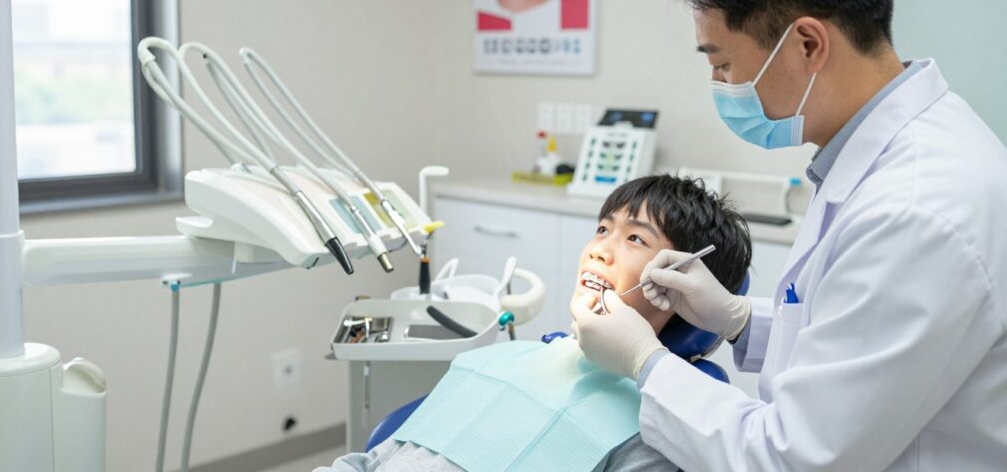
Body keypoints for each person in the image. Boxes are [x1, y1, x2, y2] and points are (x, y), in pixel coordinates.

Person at [570, 0, 1007, 471]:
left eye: (723, 63)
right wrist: (738, 318)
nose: (720, 84)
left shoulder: (916, 207)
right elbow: (857, 344)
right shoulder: (888, 158)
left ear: (806, 44)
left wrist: (646, 362)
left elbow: (795, 458)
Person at [314, 174, 752, 472]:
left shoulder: (659, 424)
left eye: (636, 238)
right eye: (602, 229)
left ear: (680, 281)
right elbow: (372, 461)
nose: (598, 250)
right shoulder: (499, 361)